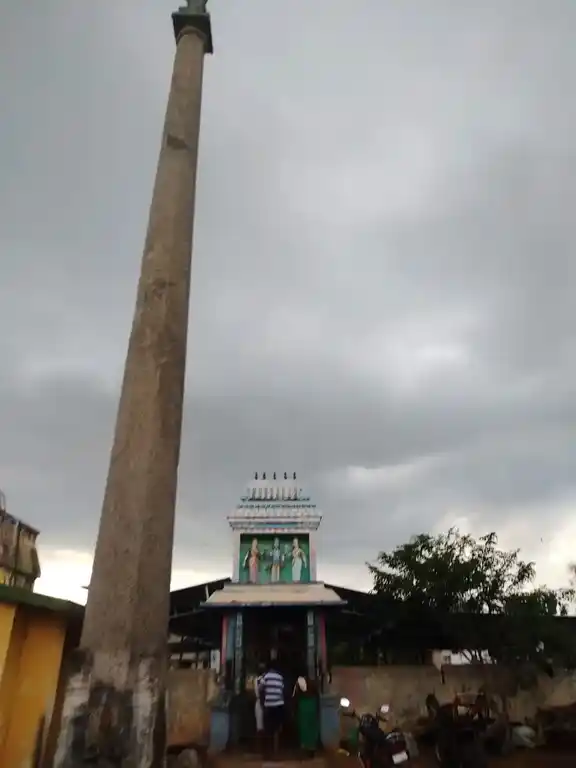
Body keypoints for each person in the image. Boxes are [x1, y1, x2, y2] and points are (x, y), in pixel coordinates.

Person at [260, 660, 285, 755]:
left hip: (268, 705)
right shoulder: (280, 677)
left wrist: (263, 702)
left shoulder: (265, 677)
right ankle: (276, 749)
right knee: (276, 728)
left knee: (268, 728)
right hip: (278, 705)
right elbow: (282, 690)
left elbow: (260, 689)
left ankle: (268, 750)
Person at [292, 675, 319, 756]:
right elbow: (316, 694)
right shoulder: (313, 682)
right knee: (312, 727)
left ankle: (305, 747)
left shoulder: (298, 682)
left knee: (304, 727)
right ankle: (312, 747)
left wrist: (294, 709)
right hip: (312, 705)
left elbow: (295, 696)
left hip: (303, 705)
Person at [254, 664, 266, 751]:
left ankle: (260, 747)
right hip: (262, 703)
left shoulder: (256, 680)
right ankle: (262, 748)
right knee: (261, 727)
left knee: (260, 726)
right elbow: (262, 693)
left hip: (259, 703)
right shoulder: (261, 680)